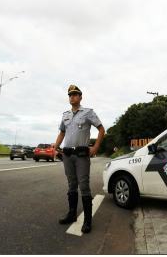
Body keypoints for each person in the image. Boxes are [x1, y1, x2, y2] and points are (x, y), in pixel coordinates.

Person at [54, 84, 105, 233]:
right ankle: (71, 214)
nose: (72, 97)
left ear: (80, 97)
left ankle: (88, 220)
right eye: (70, 95)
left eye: (75, 94)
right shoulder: (65, 115)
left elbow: (101, 129)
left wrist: (95, 148)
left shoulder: (88, 112)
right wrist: (55, 146)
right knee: (71, 185)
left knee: (84, 186)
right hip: (67, 155)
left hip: (82, 155)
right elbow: (62, 133)